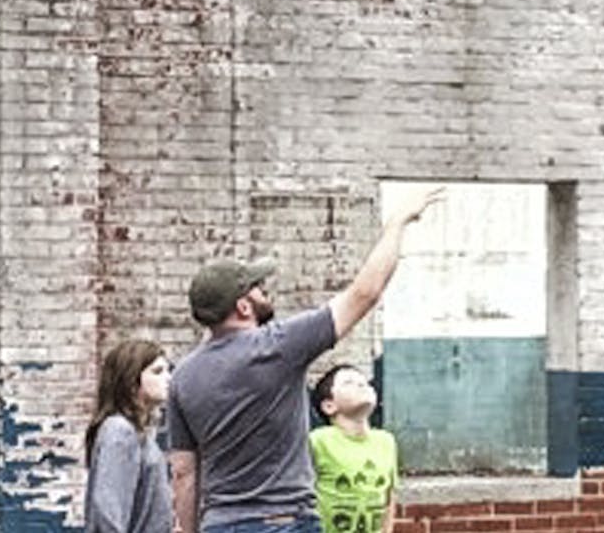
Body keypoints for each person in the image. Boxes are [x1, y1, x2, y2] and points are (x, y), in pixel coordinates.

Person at [166, 186, 445, 533]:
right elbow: (365, 292)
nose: (264, 288)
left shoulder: (182, 377)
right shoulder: (277, 345)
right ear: (243, 306)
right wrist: (397, 223)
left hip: (219, 523)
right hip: (283, 521)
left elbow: (184, 471)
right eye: (257, 287)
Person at [86, 339, 174, 533]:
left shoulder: (137, 431)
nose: (168, 378)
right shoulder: (119, 430)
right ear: (131, 380)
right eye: (157, 372)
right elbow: (109, 513)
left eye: (168, 370)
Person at [308, 365, 398, 533]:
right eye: (349, 382)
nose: (361, 385)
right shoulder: (319, 440)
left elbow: (389, 497)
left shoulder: (386, 442)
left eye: (364, 382)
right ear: (329, 406)